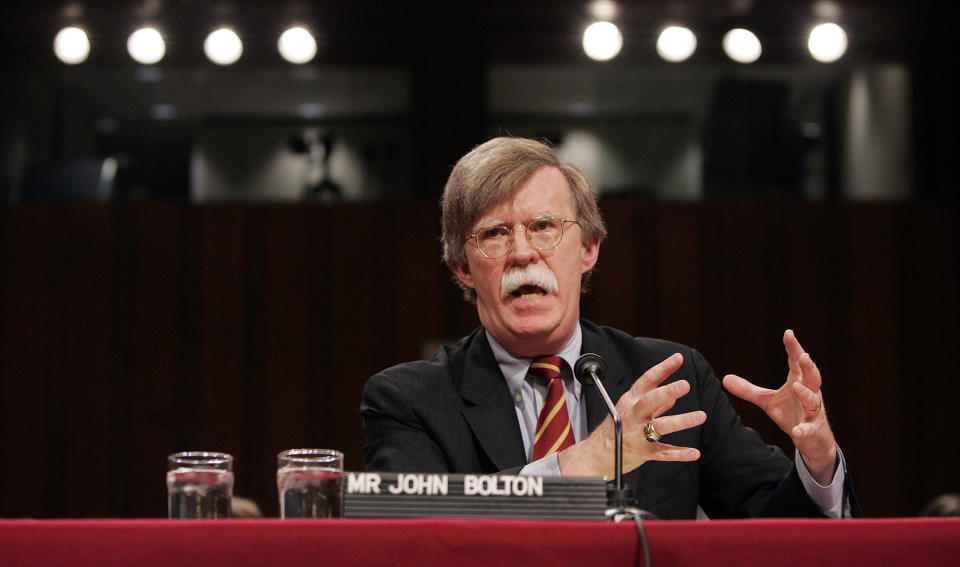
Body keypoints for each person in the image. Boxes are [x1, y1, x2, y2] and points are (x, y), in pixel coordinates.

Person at [361, 137, 859, 519]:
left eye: (544, 226)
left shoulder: (668, 380)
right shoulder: (410, 399)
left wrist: (818, 460)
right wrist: (580, 464)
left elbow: (777, 528)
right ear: (463, 268)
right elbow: (412, 531)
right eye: (494, 233)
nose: (522, 252)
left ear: (589, 249)